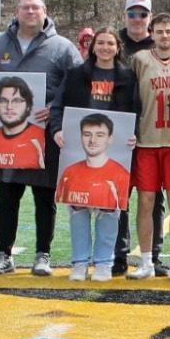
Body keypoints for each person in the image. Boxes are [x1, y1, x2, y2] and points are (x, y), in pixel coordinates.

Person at [0, 0, 81, 275]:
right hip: (9, 135)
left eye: (35, 8)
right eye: (25, 7)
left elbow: (78, 85)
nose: (30, 12)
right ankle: (3, 253)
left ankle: (43, 254)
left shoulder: (62, 47)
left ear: (45, 10)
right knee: (8, 193)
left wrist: (53, 107)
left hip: (44, 133)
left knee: (44, 194)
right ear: (16, 11)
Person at [57, 26, 139, 266]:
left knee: (112, 205)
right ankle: (80, 261)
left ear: (118, 48)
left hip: (114, 150)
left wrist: (134, 134)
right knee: (79, 205)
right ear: (92, 47)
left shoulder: (127, 77)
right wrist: (56, 129)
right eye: (100, 43)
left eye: (110, 44)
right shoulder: (75, 74)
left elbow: (136, 111)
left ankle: (112, 258)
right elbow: (58, 106)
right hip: (80, 148)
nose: (105, 48)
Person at [129, 11, 170, 280]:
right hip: (147, 142)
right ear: (152, 34)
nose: (165, 36)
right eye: (160, 31)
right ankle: (146, 261)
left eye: (169, 31)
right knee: (145, 201)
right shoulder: (140, 60)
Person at [57, 112, 132, 281]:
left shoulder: (120, 174)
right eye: (87, 134)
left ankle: (103, 263)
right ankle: (80, 262)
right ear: (81, 137)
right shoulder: (69, 172)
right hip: (76, 178)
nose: (93, 140)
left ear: (110, 138)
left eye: (100, 135)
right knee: (77, 210)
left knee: (109, 210)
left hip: (113, 180)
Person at [119, 0, 163, 267]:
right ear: (125, 16)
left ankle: (154, 255)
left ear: (150, 18)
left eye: (142, 14)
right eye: (132, 14)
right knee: (117, 196)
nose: (137, 19)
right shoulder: (112, 43)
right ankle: (118, 254)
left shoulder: (160, 45)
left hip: (150, 132)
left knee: (153, 197)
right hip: (116, 132)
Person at [0, 77, 47, 170]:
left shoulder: (41, 140)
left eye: (16, 101)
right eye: (3, 101)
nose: (9, 107)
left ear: (28, 106)